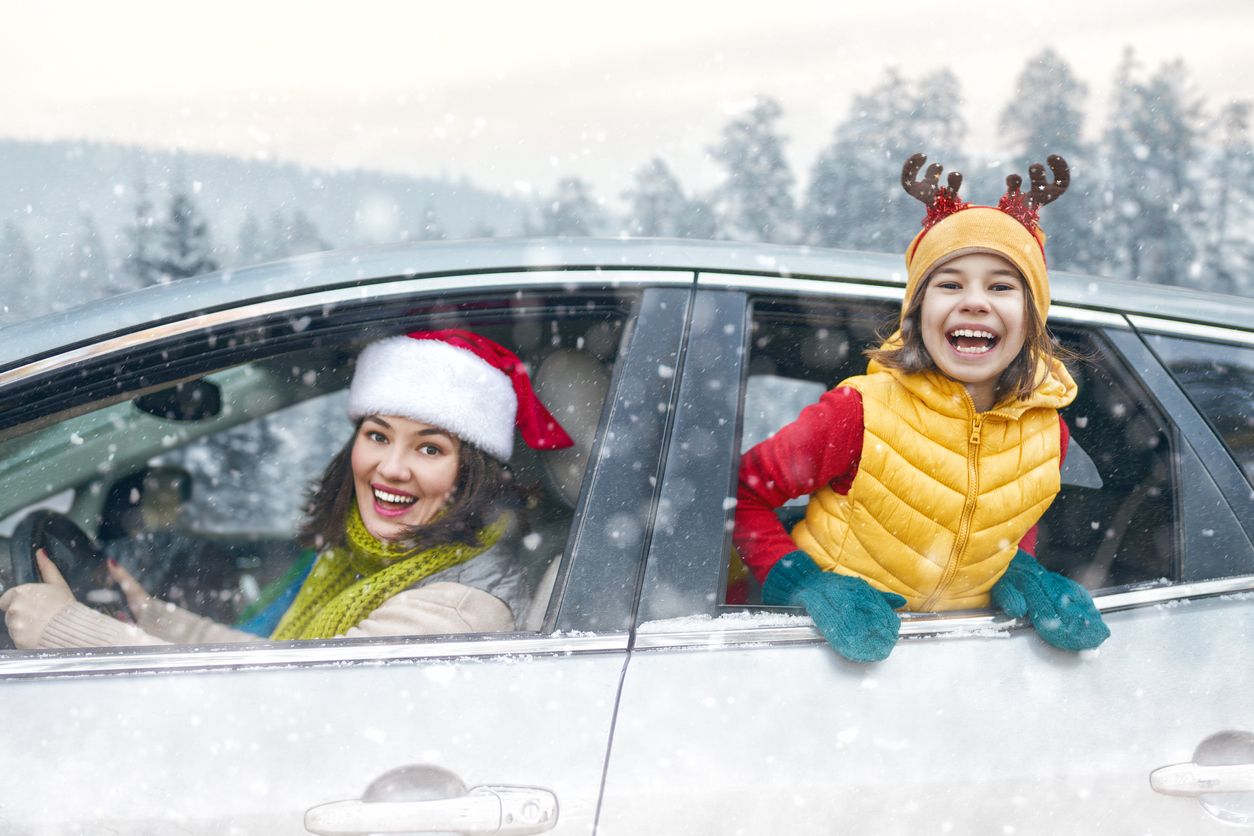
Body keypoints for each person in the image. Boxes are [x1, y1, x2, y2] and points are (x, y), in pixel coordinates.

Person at [734, 153, 1109, 663]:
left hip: (954, 662)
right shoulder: (857, 413)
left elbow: (1017, 512)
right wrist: (802, 583)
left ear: (1031, 318)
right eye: (950, 284)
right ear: (918, 311)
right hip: (810, 659)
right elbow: (741, 494)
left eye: (1001, 286)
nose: (975, 302)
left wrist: (1017, 569)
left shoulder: (1048, 431)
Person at [0, 329, 573, 648]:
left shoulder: (455, 605)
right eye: (377, 435)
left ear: (468, 475)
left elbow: (277, 710)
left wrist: (68, 631)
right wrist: (154, 618)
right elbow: (281, 668)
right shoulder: (375, 560)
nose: (390, 468)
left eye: (429, 448)